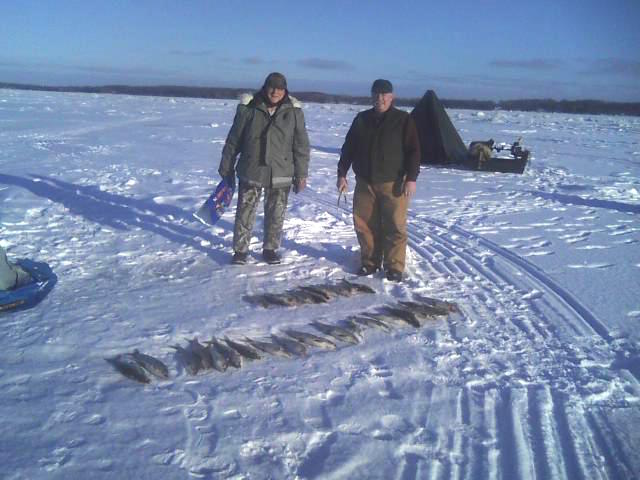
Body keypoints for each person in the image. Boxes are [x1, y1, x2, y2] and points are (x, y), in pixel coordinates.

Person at [218, 72, 310, 265]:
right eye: (271, 87)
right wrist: (227, 166)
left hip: (281, 172)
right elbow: (234, 140)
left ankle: (270, 249)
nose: (275, 92)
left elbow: (301, 145)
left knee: (276, 213)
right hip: (252, 169)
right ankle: (240, 251)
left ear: (285, 90)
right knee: (245, 211)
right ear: (265, 87)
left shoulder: (293, 113)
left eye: (279, 88)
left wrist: (301, 174)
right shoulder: (249, 108)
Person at [337, 79, 421, 282]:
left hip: (393, 183)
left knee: (395, 226)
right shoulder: (361, 119)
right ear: (371, 96)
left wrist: (411, 178)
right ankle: (370, 262)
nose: (380, 98)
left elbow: (414, 151)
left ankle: (394, 266)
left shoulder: (403, 120)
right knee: (364, 225)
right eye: (376, 94)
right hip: (365, 182)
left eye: (384, 95)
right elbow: (348, 148)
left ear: (392, 97)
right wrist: (342, 174)